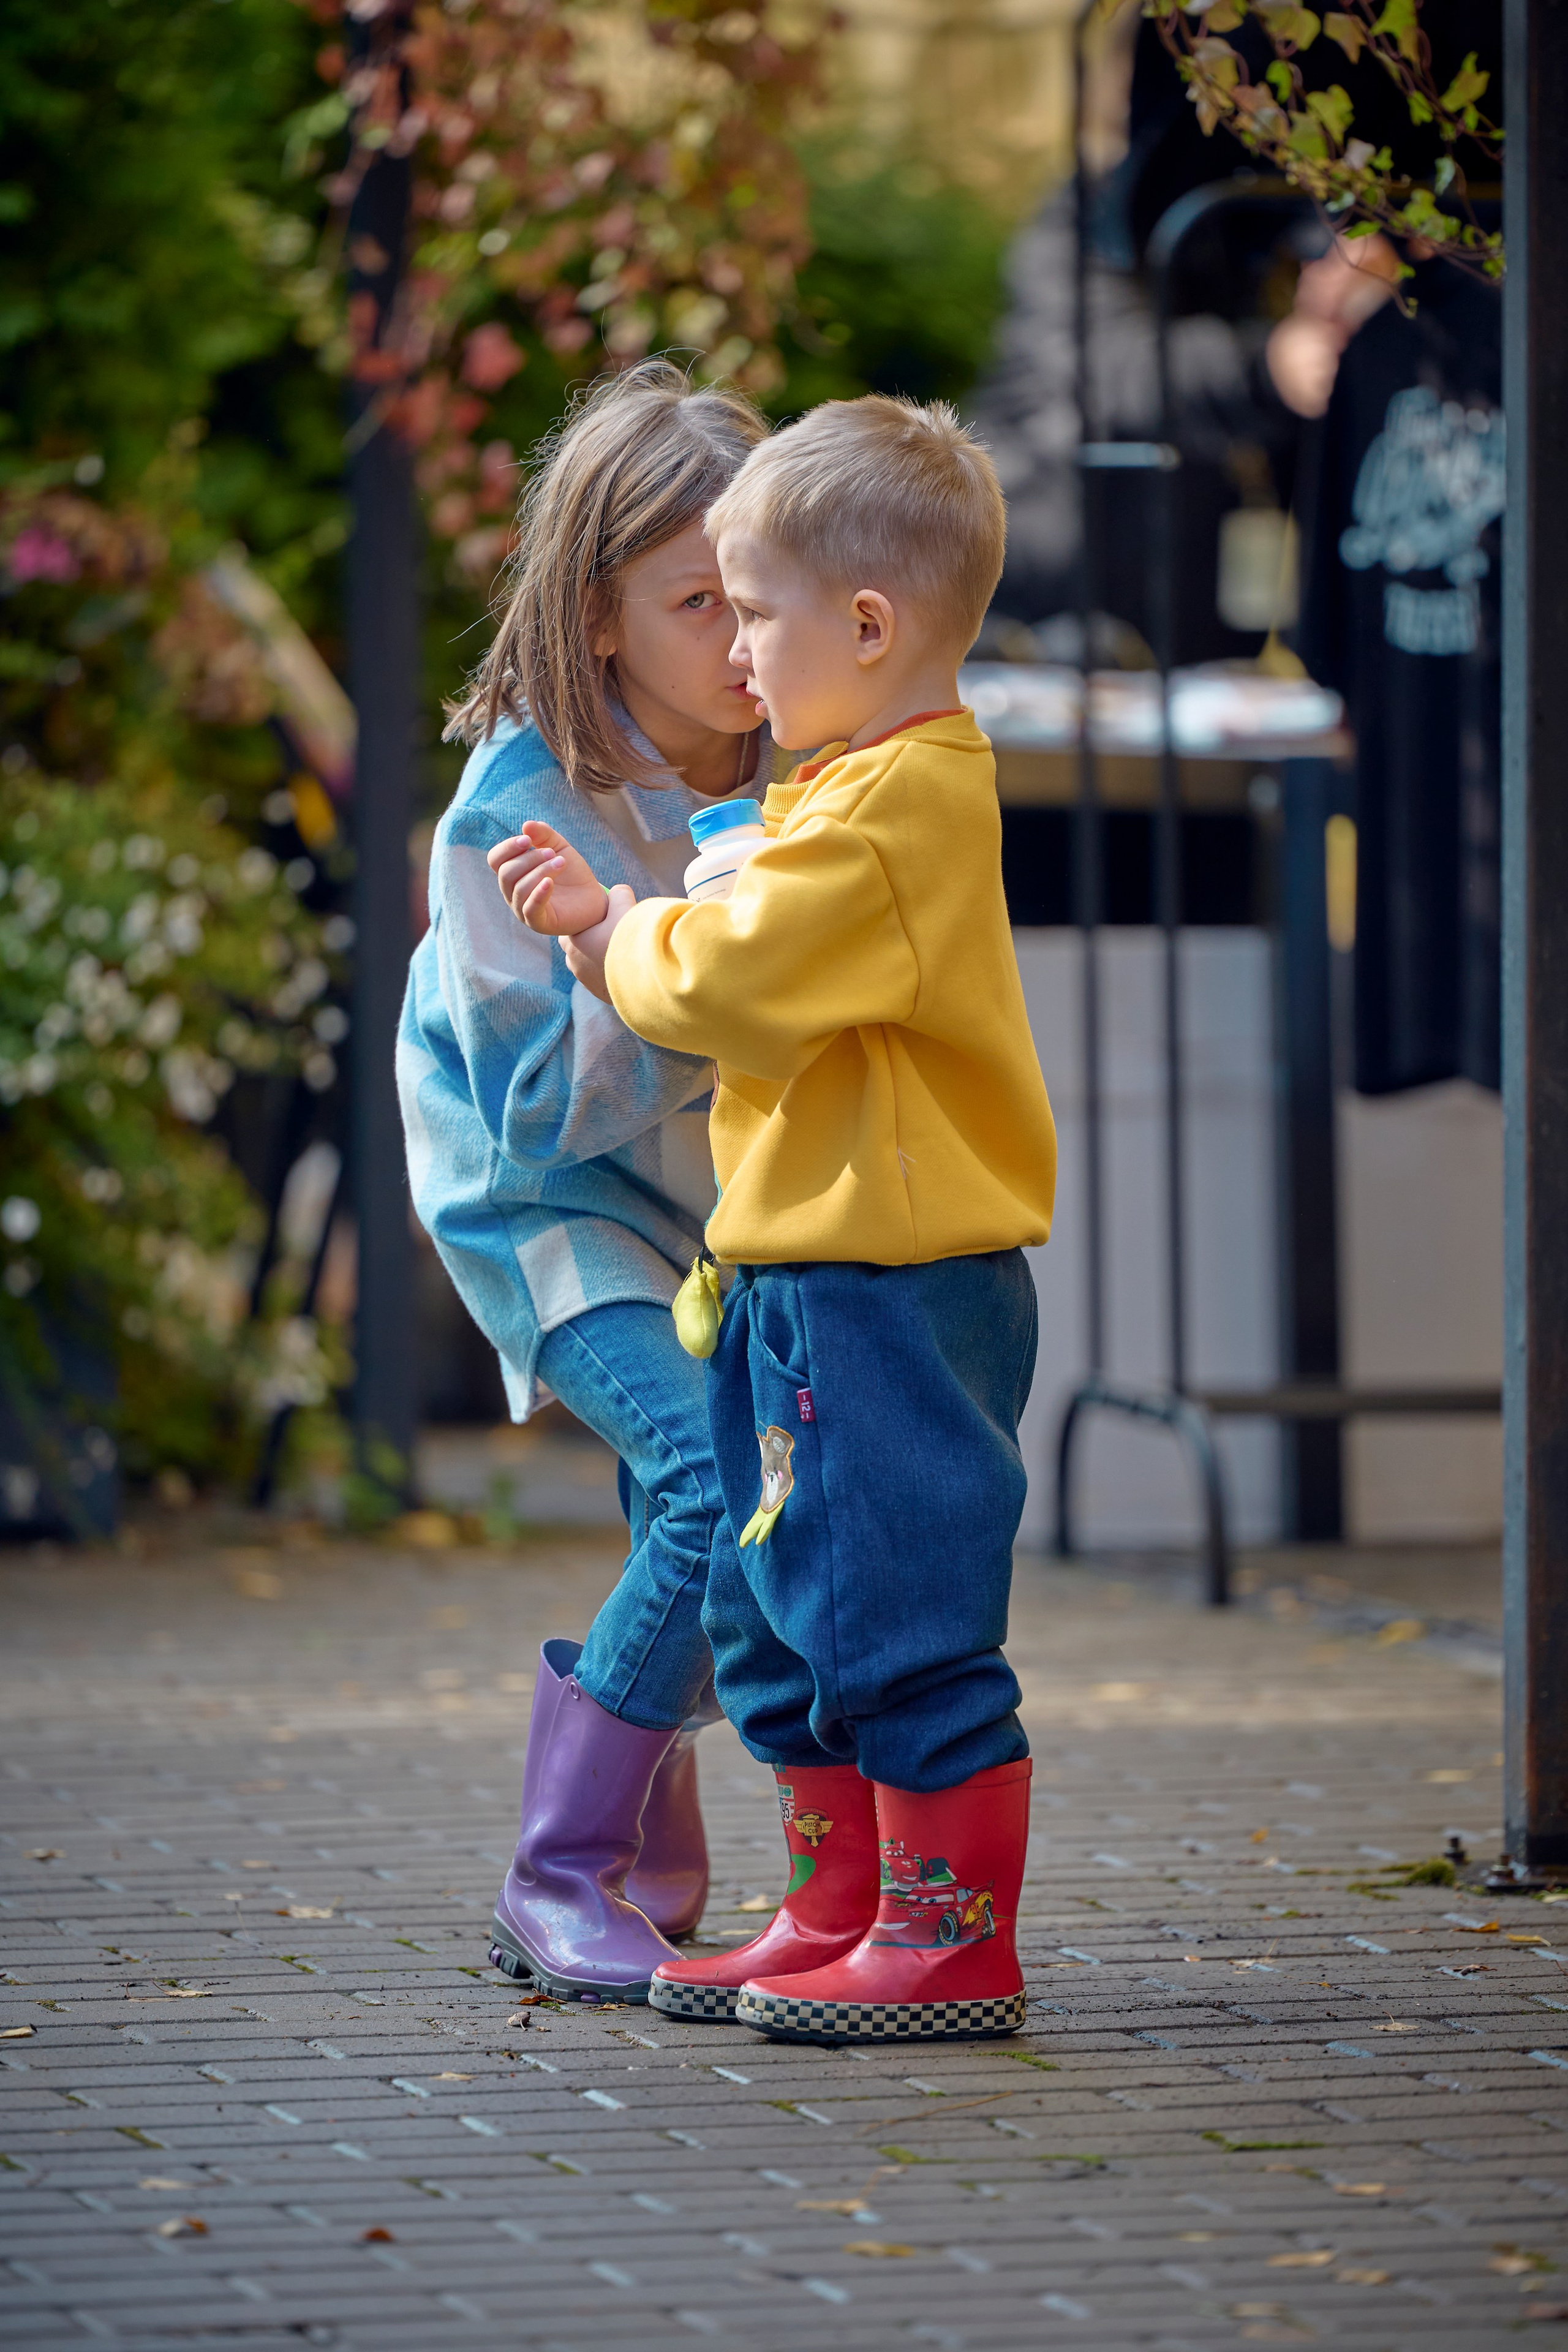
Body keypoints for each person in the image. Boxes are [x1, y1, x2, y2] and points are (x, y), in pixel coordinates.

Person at [495, 396, 1058, 2045]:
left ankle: (950, 1936)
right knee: (786, 1599)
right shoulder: (847, 787)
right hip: (808, 1271)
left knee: (895, 1602)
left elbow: (732, 975)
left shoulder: (898, 808)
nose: (737, 654)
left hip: (893, 1284)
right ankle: (839, 1909)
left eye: (756, 615)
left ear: (868, 627)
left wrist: (613, 930)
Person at [397, 360, 779, 2003]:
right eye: (701, 601)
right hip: (543, 1209)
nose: (745, 640)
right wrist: (700, 982)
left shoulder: (790, 763)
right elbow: (539, 1106)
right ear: (603, 616)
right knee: (709, 1484)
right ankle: (553, 1874)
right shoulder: (512, 816)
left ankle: (645, 1852)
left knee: (682, 1507)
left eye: (761, 595)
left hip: (707, 1205)